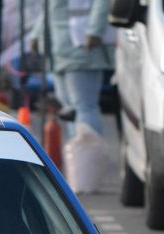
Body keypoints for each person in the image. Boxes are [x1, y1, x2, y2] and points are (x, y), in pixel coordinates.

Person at [31, 0, 115, 137]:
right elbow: (48, 9)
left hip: (81, 48)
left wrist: (95, 31)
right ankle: (78, 152)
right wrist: (36, 35)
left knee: (84, 107)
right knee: (69, 110)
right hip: (59, 49)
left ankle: (89, 154)